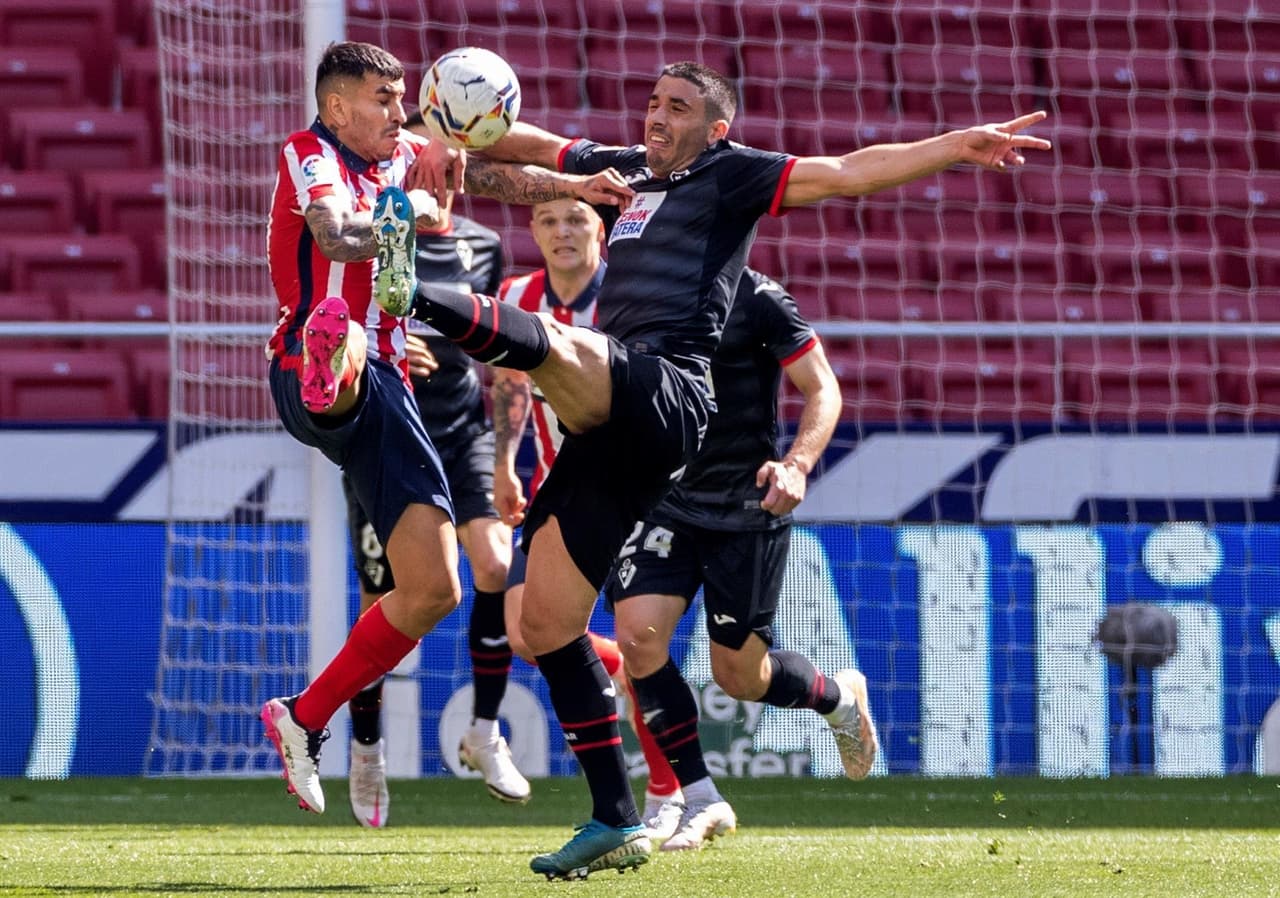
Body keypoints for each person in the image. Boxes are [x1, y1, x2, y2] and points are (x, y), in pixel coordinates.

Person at [374, 61, 1049, 878]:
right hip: (625, 439)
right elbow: (533, 143)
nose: (657, 116)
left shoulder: (732, 179)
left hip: (672, 398)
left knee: (560, 344)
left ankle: (411, 296)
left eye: (678, 107)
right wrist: (429, 135)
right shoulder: (623, 171)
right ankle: (616, 817)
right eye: (653, 102)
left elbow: (847, 172)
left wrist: (954, 145)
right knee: (545, 626)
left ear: (715, 128)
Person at [259, 40, 631, 818]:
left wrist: (577, 185)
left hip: (396, 393)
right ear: (336, 108)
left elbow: (495, 177)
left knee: (433, 590)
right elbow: (333, 235)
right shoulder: (310, 153)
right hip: (311, 368)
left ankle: (303, 717)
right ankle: (333, 358)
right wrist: (399, 220)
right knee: (343, 332)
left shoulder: (402, 159)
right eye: (385, 99)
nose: (403, 113)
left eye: (404, 98)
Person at [604, 267, 842, 852]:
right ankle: (701, 795)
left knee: (738, 677)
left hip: (745, 505)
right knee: (637, 638)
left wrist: (797, 465)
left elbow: (823, 388)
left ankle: (836, 698)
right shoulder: (637, 289)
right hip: (663, 499)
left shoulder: (759, 297)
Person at [342, 109, 528, 827]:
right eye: (424, 154)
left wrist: (505, 458)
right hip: (387, 434)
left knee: (494, 563)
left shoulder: (483, 246)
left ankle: (484, 729)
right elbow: (334, 319)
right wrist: (378, 344)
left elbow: (497, 346)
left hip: (460, 429)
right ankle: (366, 747)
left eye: (451, 157)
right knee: (383, 604)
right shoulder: (371, 235)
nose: (437, 168)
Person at [490, 196, 685, 841]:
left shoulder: (628, 298)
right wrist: (504, 465)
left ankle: (669, 792)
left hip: (630, 492)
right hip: (555, 490)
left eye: (576, 219)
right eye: (548, 221)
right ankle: (627, 676)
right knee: (524, 631)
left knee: (638, 637)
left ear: (600, 230)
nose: (562, 231)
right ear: (533, 231)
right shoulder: (516, 295)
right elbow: (510, 384)